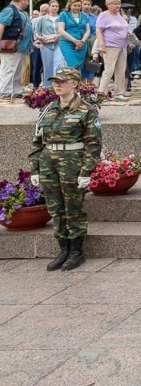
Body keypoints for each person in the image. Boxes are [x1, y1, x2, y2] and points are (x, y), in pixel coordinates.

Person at [27, 67, 101, 271]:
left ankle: (77, 251)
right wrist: (35, 169)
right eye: (55, 81)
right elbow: (37, 141)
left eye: (62, 81)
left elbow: (93, 144)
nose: (57, 85)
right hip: (49, 163)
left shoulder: (86, 110)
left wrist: (87, 171)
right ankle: (63, 249)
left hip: (72, 164)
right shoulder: (48, 109)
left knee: (73, 208)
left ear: (75, 84)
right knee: (55, 208)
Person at [96, 0, 131, 101]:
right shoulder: (104, 15)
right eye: (115, 3)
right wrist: (102, 45)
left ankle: (119, 92)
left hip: (122, 45)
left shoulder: (120, 15)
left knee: (121, 69)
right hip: (110, 45)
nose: (118, 5)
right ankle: (102, 92)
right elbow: (98, 30)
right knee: (109, 69)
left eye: (119, 3)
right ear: (108, 5)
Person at [57, 0, 93, 82]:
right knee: (72, 64)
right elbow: (61, 30)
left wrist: (82, 41)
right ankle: (70, 85)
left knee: (79, 66)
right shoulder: (64, 14)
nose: (77, 8)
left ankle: (78, 87)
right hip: (67, 43)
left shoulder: (84, 15)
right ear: (70, 5)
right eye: (74, 5)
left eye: (78, 6)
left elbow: (87, 30)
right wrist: (74, 41)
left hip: (81, 43)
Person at [36, 0, 61, 86]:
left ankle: (58, 86)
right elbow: (37, 33)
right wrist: (41, 39)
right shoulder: (42, 19)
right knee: (47, 67)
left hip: (59, 44)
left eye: (56, 6)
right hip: (46, 45)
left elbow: (64, 31)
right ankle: (47, 87)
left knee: (59, 66)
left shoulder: (61, 18)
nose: (55, 8)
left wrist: (58, 36)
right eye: (53, 6)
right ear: (49, 7)